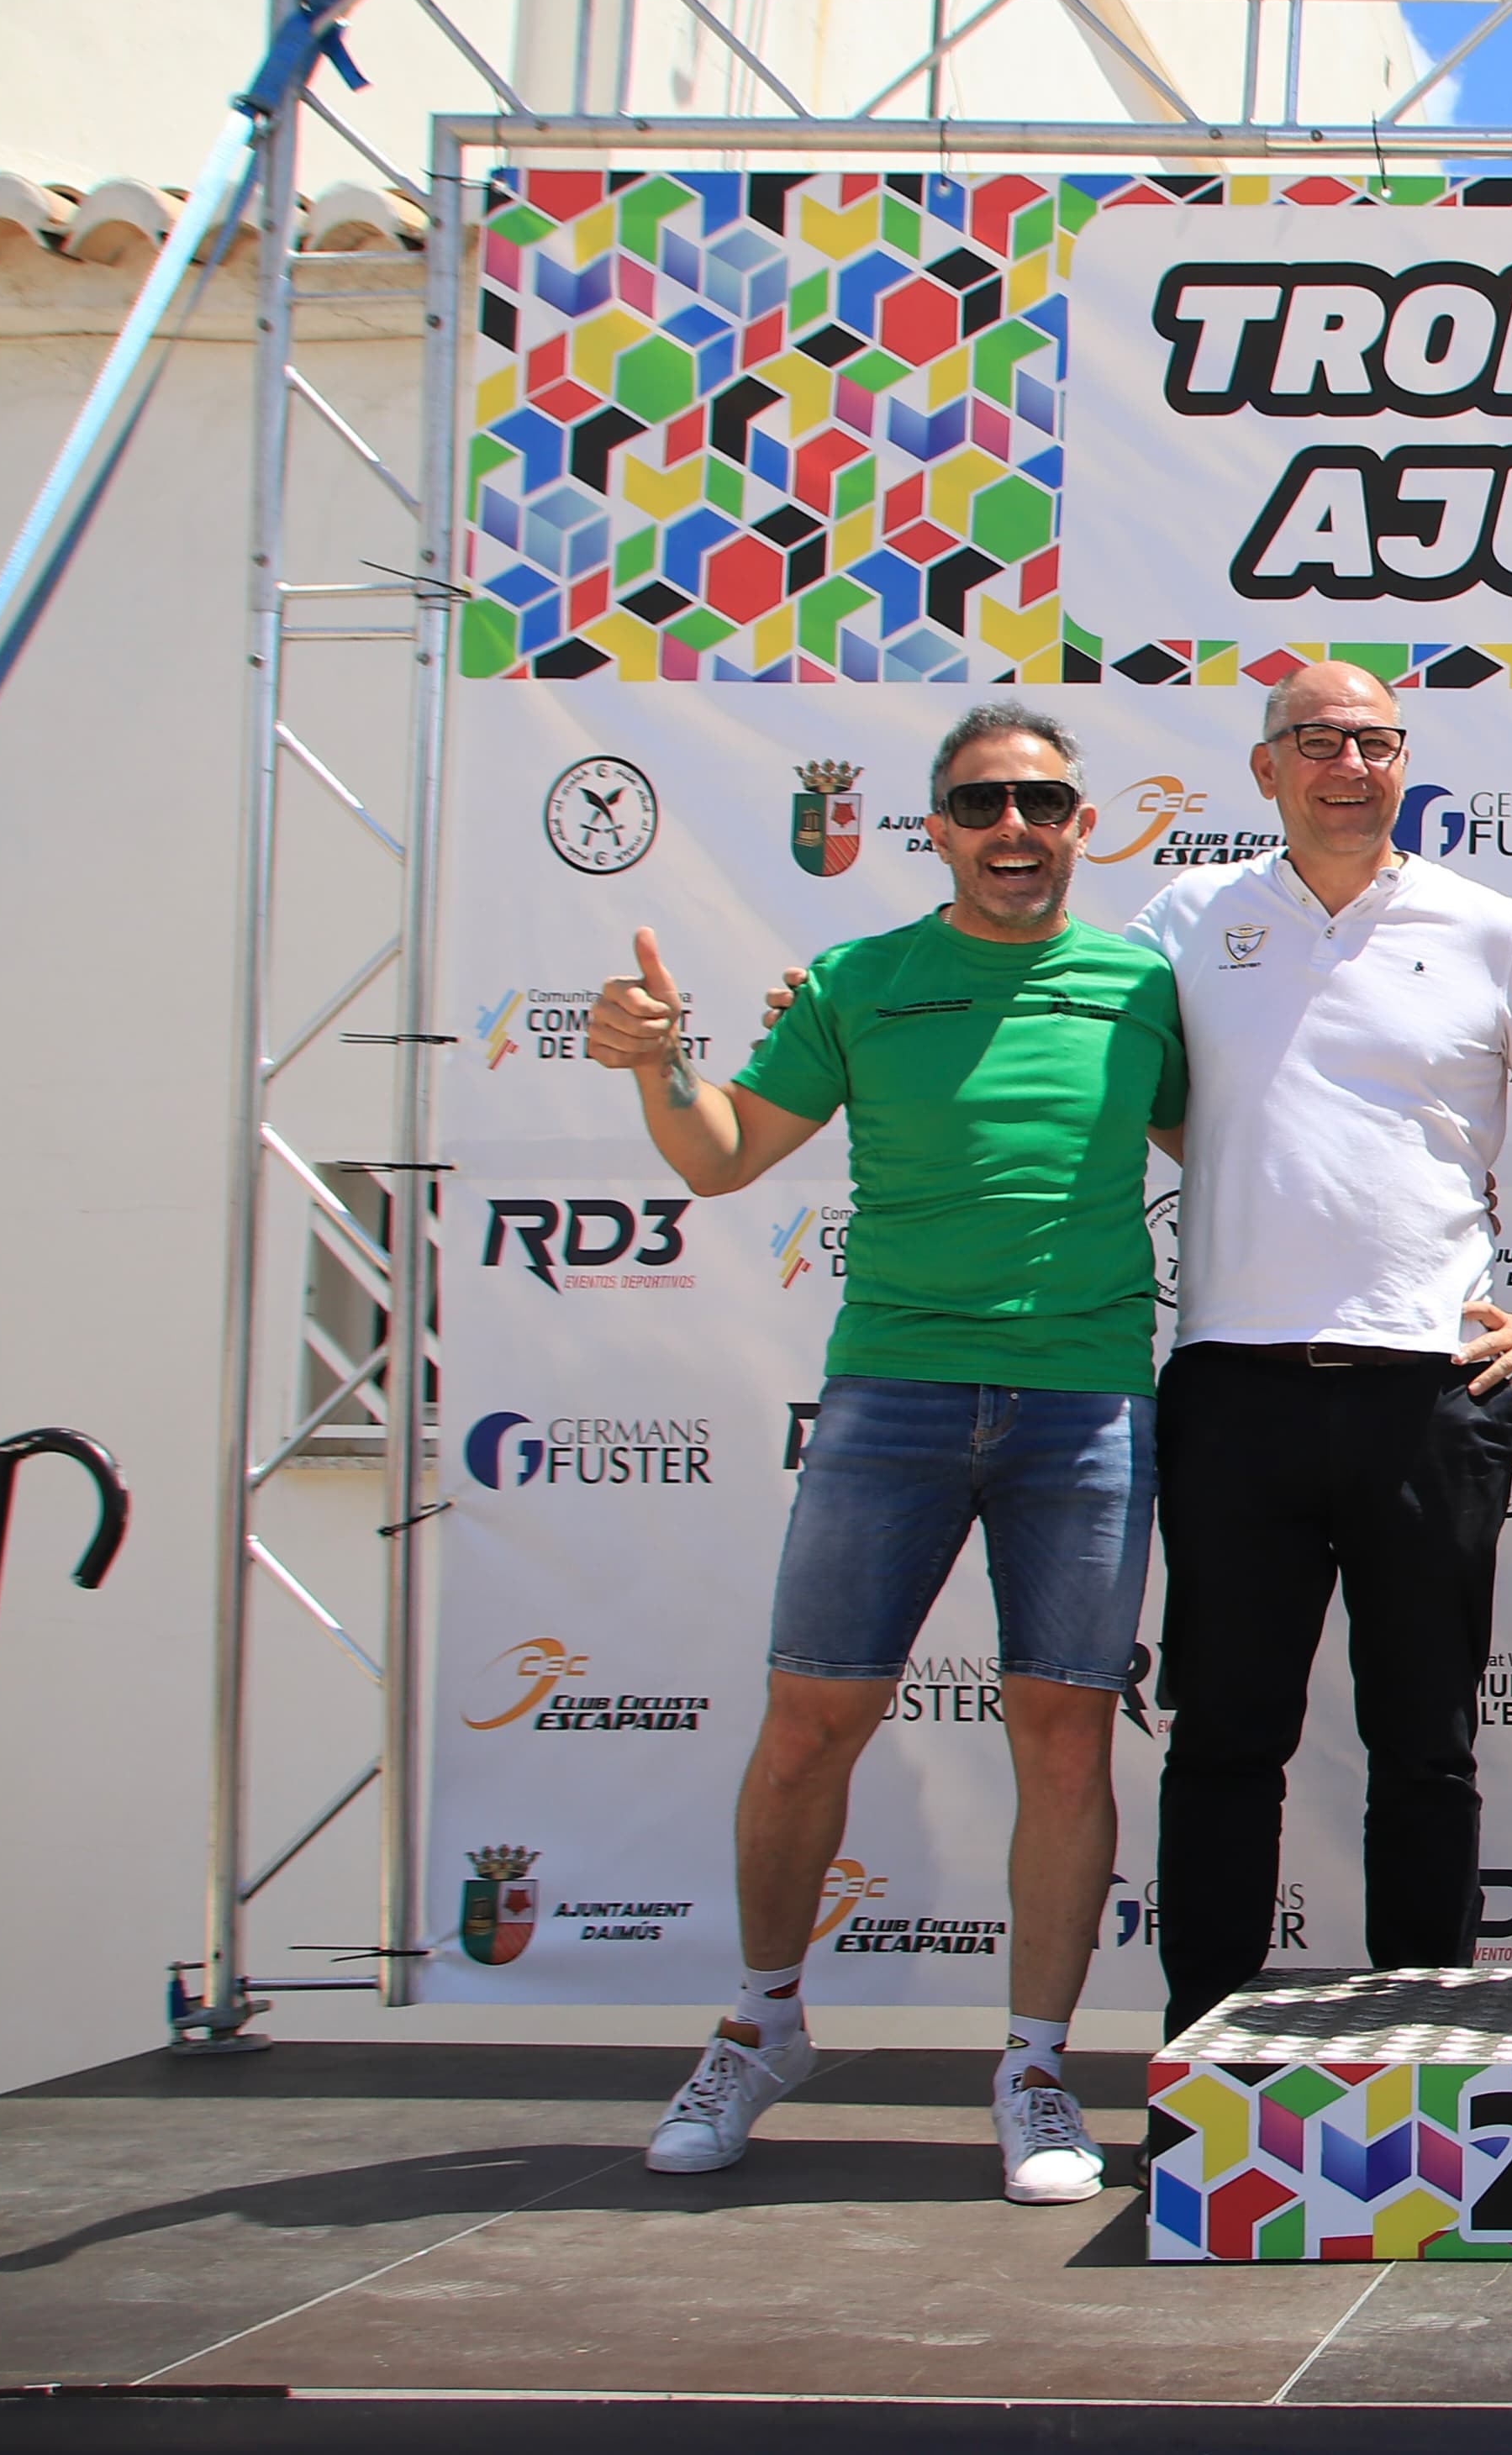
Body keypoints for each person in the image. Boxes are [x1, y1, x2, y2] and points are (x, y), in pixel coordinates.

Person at [587, 703, 1184, 2204]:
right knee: (808, 1725)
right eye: (984, 801)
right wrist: (658, 1067)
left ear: (1081, 822)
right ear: (938, 825)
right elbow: (723, 1153)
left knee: (1062, 1740)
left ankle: (1038, 2067)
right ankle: (762, 2023)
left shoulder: (1145, 984)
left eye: (1043, 799)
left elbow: (1264, 1137)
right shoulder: (859, 980)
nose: (1015, 827)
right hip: (891, 1399)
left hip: (1089, 1402)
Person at [1130, 659, 1512, 2033]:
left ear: (1404, 760)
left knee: (1426, 1751)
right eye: (1317, 740)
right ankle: (1204, 2059)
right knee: (1227, 1746)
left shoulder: (1493, 927)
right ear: (1265, 768)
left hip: (1431, 1397)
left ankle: (1423, 2059)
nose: (1347, 764)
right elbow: (1101, 1069)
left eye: (1374, 741)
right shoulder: (1183, 916)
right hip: (1233, 1394)